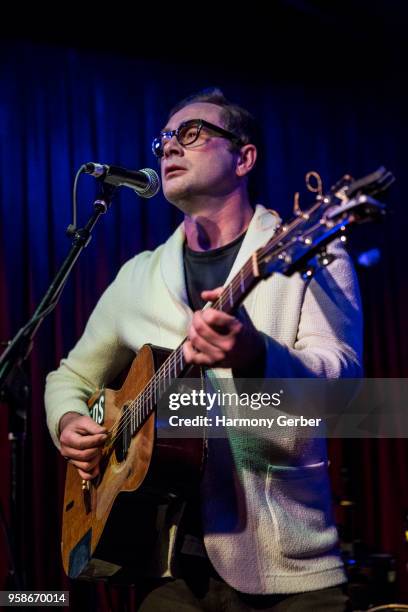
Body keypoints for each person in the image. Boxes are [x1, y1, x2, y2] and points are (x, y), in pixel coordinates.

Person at [45, 88, 362, 610]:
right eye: (165, 139)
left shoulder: (313, 250)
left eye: (191, 134)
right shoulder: (139, 277)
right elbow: (69, 377)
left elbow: (346, 387)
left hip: (287, 565)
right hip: (164, 567)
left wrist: (255, 358)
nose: (170, 148)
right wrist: (68, 421)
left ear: (244, 157)